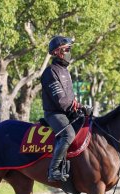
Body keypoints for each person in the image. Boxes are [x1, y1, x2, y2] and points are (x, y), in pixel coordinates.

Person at [41, 36, 83, 182]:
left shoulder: (65, 71)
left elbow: (70, 98)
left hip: (67, 111)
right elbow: (61, 101)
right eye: (67, 49)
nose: (69, 52)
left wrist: (80, 108)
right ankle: (53, 170)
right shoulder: (50, 72)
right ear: (57, 52)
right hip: (55, 113)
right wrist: (77, 106)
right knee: (68, 134)